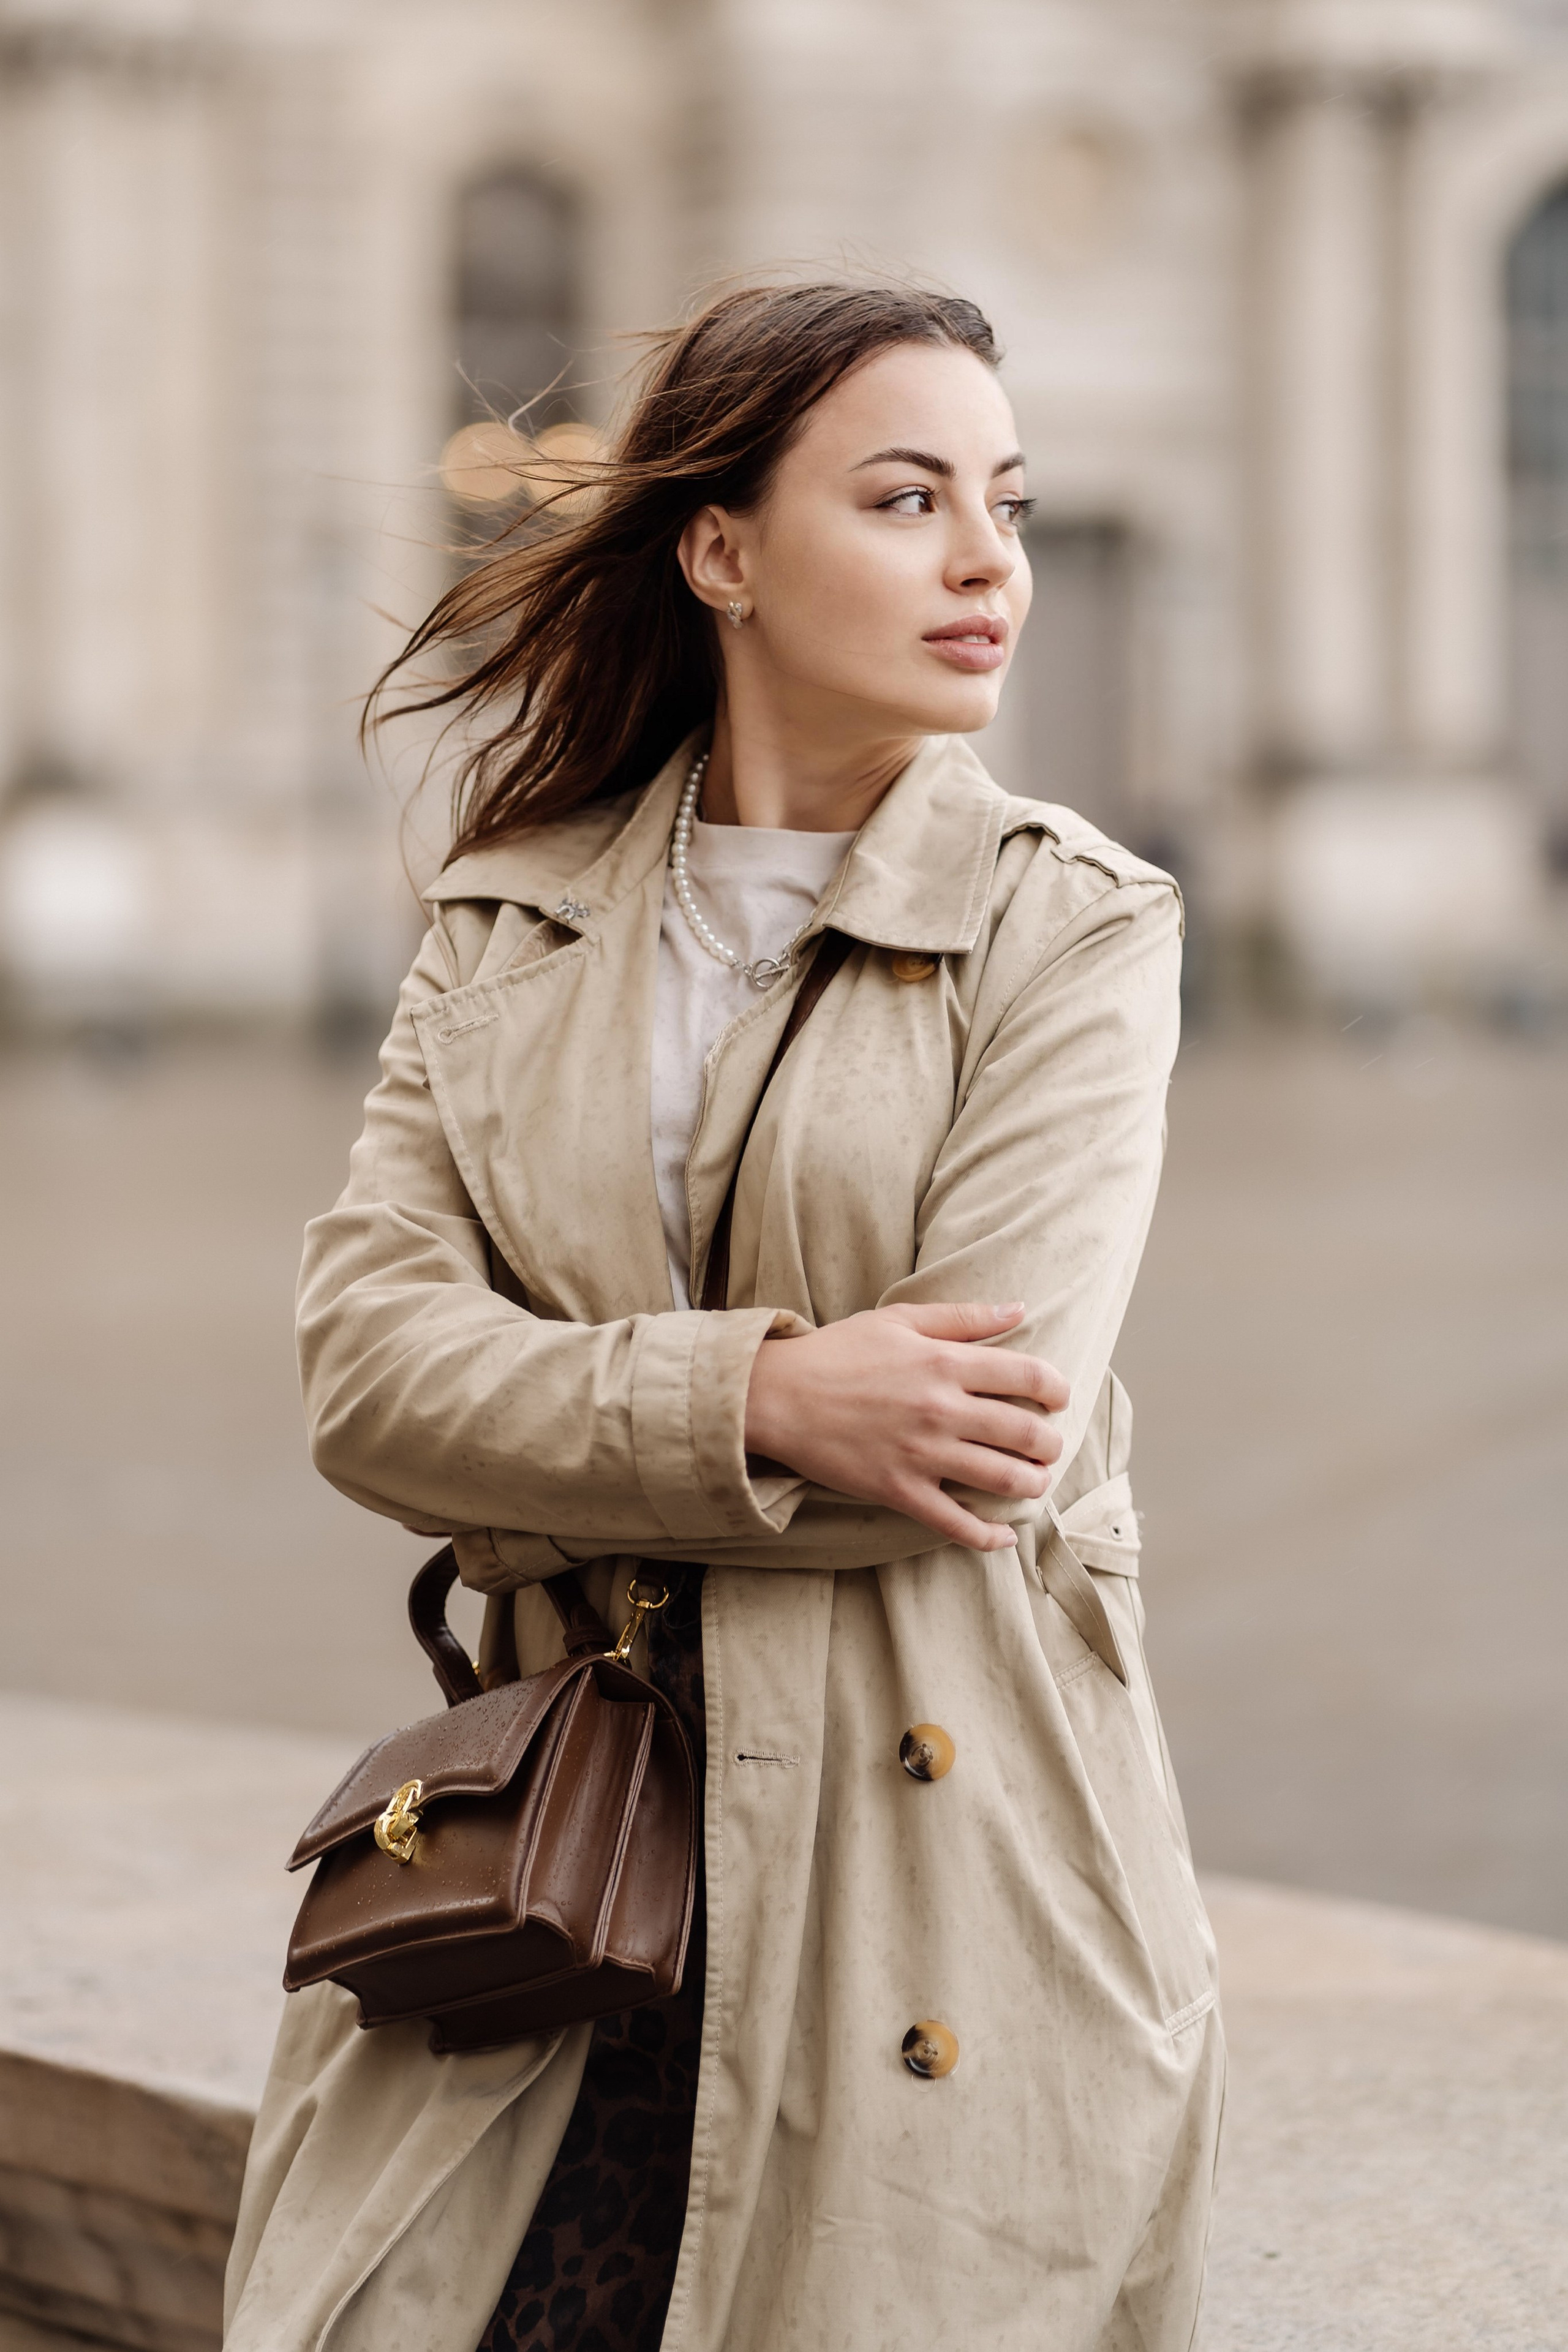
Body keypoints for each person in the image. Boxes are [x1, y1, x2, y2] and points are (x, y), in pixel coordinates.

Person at [224, 279, 1221, 2352]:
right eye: (905, 496)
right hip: (547, 1888)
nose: (985, 564)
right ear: (722, 549)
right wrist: (778, 1387)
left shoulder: (1076, 923)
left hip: (937, 1901)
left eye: (1009, 507)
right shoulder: (515, 912)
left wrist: (565, 1426)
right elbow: (365, 1380)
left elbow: (964, 1442)